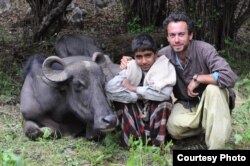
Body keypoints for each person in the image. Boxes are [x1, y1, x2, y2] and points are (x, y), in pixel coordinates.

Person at [120, 12, 238, 150]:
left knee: (213, 89)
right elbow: (145, 63)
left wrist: (200, 78)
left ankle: (216, 148)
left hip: (212, 101)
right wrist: (129, 61)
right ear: (168, 38)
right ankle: (208, 129)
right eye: (172, 35)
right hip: (187, 103)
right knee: (173, 128)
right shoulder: (164, 55)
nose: (176, 40)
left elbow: (229, 76)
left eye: (181, 34)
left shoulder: (204, 50)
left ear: (190, 35)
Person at [106, 33, 176, 146]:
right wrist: (136, 97)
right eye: (139, 57)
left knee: (164, 104)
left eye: (148, 55)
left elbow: (165, 94)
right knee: (124, 101)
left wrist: (133, 88)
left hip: (155, 111)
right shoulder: (131, 67)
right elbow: (110, 89)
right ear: (134, 56)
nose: (143, 61)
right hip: (137, 110)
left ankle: (157, 144)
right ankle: (133, 143)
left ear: (155, 54)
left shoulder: (164, 66)